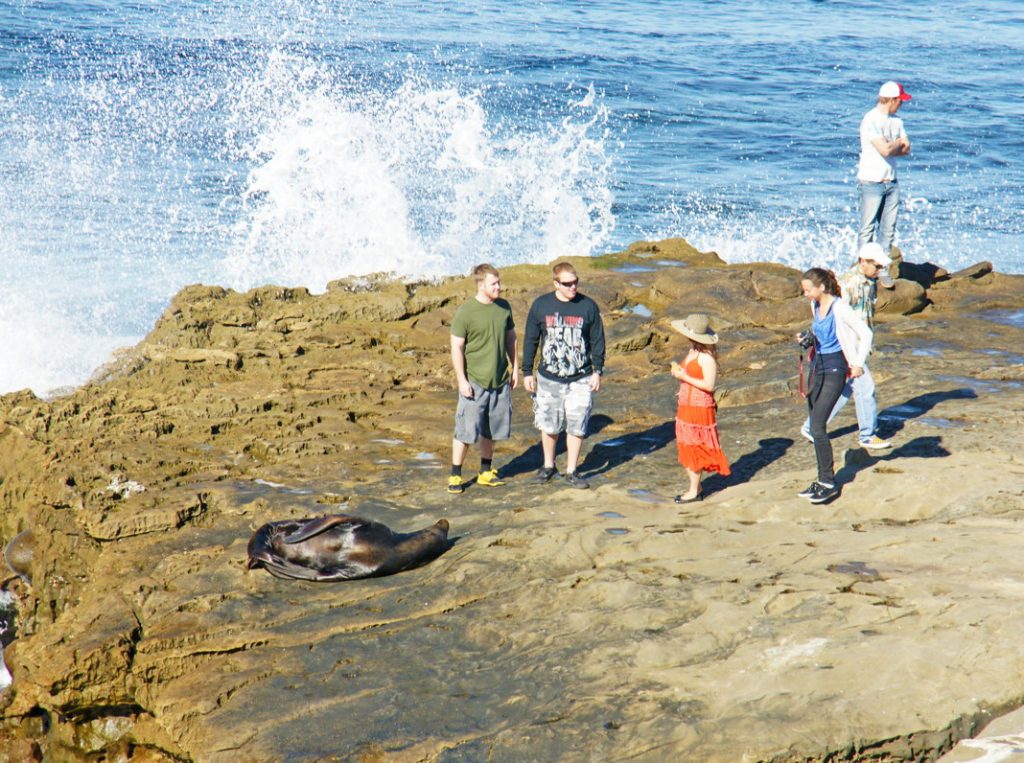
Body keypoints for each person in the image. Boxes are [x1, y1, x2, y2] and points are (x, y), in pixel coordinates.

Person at [800, 242, 895, 449]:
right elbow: (834, 314)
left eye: (882, 267)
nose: (880, 271)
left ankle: (811, 426)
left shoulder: (869, 282)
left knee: (843, 391)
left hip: (854, 348)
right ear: (863, 262)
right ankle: (867, 435)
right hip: (846, 350)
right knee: (865, 387)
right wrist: (854, 358)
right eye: (877, 266)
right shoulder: (849, 284)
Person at [522, 262, 605, 489]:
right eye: (567, 284)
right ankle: (548, 466)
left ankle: (572, 471)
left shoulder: (588, 306)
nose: (573, 287)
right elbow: (531, 339)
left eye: (575, 282)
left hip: (581, 378)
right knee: (549, 425)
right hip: (549, 378)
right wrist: (527, 372)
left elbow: (598, 340)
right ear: (556, 283)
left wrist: (597, 371)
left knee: (577, 425)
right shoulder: (541, 305)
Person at [797, 267, 873, 504]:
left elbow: (866, 333)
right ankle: (821, 480)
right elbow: (822, 334)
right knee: (814, 425)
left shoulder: (839, 307)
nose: (806, 294)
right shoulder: (815, 305)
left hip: (836, 368)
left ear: (821, 287)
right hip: (817, 365)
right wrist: (808, 338)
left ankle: (828, 483)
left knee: (817, 426)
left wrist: (858, 363)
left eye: (808, 290)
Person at [448, 263, 518, 494]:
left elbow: (511, 339)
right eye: (494, 284)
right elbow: (456, 347)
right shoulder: (466, 312)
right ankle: (455, 475)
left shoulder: (504, 307)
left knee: (492, 429)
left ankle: (485, 472)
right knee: (466, 431)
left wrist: (515, 368)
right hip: (475, 381)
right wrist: (462, 380)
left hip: (499, 380)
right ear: (481, 285)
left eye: (498, 282)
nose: (499, 287)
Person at [669, 314, 730, 504]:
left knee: (695, 446)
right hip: (686, 404)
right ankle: (696, 487)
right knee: (686, 443)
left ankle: (694, 490)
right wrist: (680, 373)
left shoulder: (706, 358)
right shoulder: (693, 350)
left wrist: (683, 378)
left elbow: (709, 385)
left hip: (700, 407)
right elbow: (689, 374)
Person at [857, 80, 912, 255]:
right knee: (867, 229)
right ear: (891, 100)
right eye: (900, 100)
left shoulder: (897, 121)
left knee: (888, 231)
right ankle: (863, 268)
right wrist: (896, 144)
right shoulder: (870, 120)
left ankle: (883, 269)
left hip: (892, 182)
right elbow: (885, 149)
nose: (901, 103)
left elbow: (906, 149)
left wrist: (891, 146)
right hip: (871, 182)